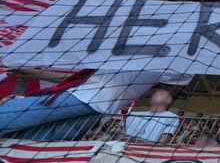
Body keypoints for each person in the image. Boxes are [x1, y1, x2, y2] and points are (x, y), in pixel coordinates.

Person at [0, 68, 182, 141]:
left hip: (82, 101)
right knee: (23, 142)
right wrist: (33, 73)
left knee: (8, 118)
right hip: (95, 114)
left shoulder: (152, 62)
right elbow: (75, 79)